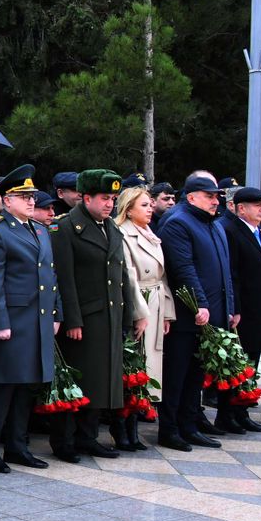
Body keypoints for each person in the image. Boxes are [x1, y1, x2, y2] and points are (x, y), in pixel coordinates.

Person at [48, 169, 138, 462]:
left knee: (101, 380)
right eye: (103, 198)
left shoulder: (110, 227)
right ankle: (64, 441)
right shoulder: (66, 227)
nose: (109, 204)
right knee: (77, 380)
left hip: (109, 316)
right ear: (86, 198)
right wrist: (72, 319)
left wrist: (127, 315)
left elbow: (121, 276)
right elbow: (64, 278)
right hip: (85, 319)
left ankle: (87, 437)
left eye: (112, 199)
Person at [0, 168, 60, 471]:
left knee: (26, 387)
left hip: (37, 320)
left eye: (32, 196)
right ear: (7, 200)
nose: (30, 201)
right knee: (2, 387)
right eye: (23, 197)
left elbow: (51, 275)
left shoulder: (38, 229)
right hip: (13, 320)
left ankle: (17, 446)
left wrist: (56, 312)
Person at [158, 174, 235, 451]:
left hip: (211, 313)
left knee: (196, 376)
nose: (215, 201)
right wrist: (200, 303)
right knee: (177, 375)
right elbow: (184, 269)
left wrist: (229, 307)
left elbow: (224, 271)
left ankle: (189, 426)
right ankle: (169, 429)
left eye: (216, 197)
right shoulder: (178, 222)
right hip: (187, 314)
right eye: (209, 196)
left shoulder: (213, 223)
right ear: (191, 197)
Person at [116, 184, 174, 449]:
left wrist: (167, 313)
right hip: (138, 303)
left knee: (146, 368)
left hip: (156, 301)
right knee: (132, 366)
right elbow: (128, 277)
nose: (150, 209)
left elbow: (162, 277)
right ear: (128, 210)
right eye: (144, 205)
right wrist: (140, 313)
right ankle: (122, 427)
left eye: (151, 204)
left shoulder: (151, 233)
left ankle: (134, 427)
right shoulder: (123, 234)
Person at [218, 187, 261, 434]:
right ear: (241, 208)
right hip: (243, 312)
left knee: (250, 362)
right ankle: (227, 414)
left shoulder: (260, 232)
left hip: (259, 310)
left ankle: (242, 411)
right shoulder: (231, 231)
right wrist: (235, 308)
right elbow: (233, 274)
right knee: (235, 363)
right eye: (256, 205)